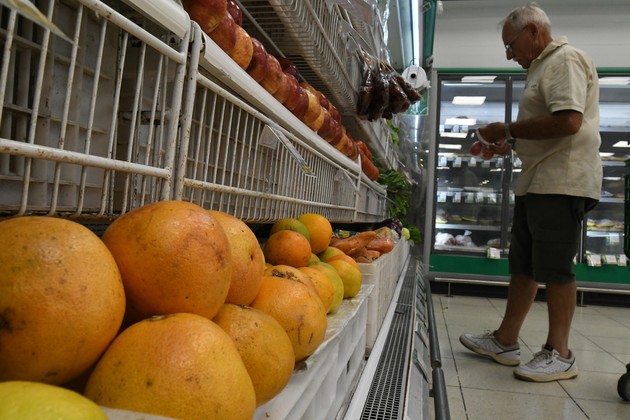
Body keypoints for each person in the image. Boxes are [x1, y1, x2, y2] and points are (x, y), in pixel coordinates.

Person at [459, 3, 602, 382]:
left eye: (511, 45)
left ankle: (561, 353)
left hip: (562, 180)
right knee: (523, 264)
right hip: (538, 180)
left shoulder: (565, 60)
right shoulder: (541, 67)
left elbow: (569, 121)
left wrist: (506, 129)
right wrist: (510, 144)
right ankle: (505, 340)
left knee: (555, 267)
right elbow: (548, 128)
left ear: (534, 32)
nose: (509, 54)